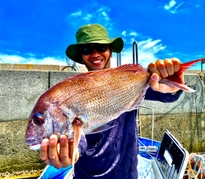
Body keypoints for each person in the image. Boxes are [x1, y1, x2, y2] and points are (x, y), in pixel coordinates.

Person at [39, 24, 184, 179]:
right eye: (87, 50)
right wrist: (71, 151)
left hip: (127, 174)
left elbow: (164, 95)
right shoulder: (72, 91)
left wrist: (172, 87)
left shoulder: (127, 81)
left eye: (101, 48)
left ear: (109, 50)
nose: (95, 54)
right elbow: (78, 137)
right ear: (81, 56)